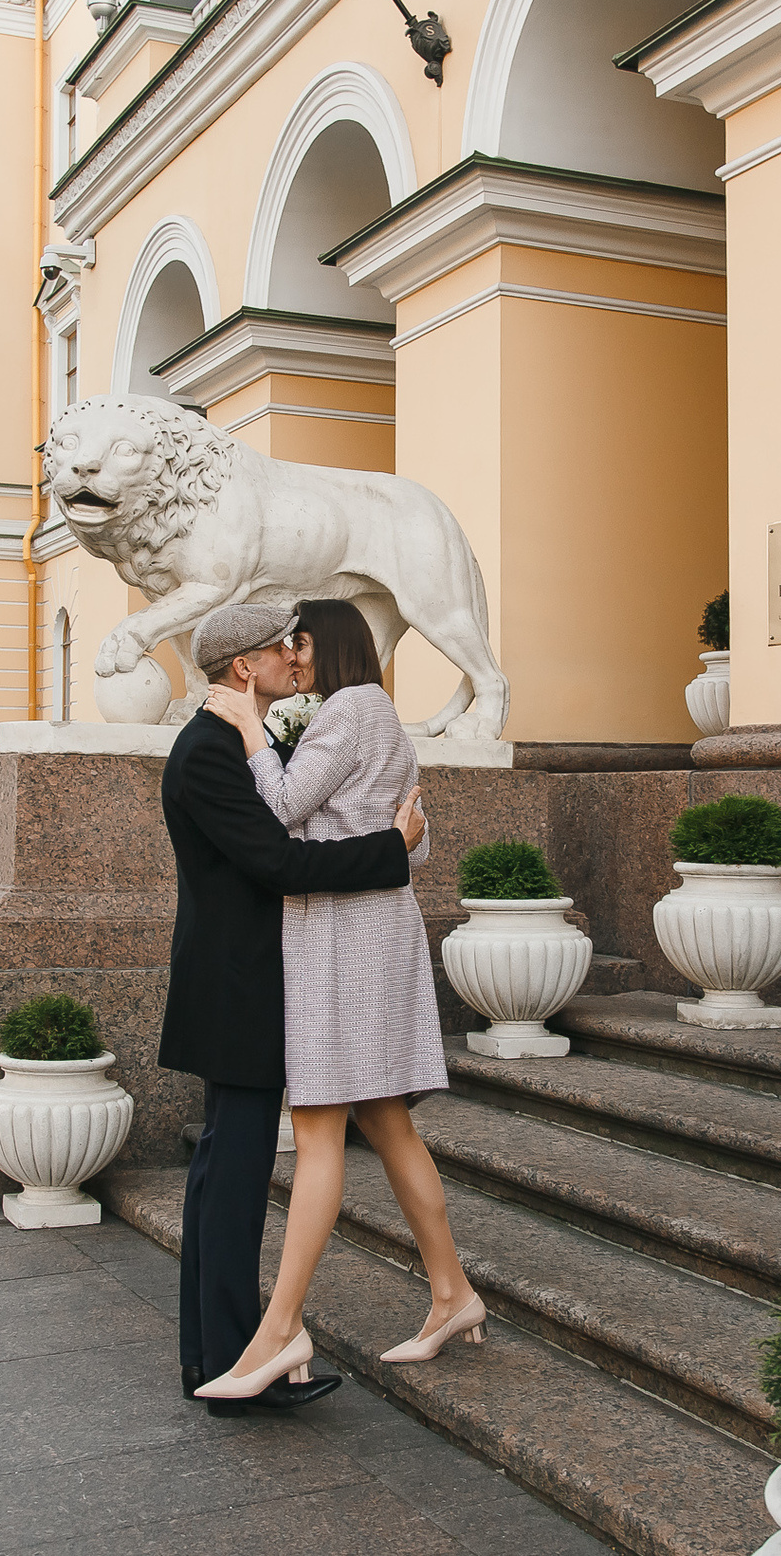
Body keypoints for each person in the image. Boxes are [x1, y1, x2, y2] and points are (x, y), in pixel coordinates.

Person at [192, 598, 485, 1405]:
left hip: (340, 939)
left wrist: (253, 736)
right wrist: (405, 841)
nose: (295, 653)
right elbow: (407, 838)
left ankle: (280, 1325)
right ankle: (452, 1290)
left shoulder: (349, 709)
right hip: (369, 926)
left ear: (333, 643)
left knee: (318, 1126)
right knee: (387, 1121)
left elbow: (283, 809)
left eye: (303, 640)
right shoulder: (381, 713)